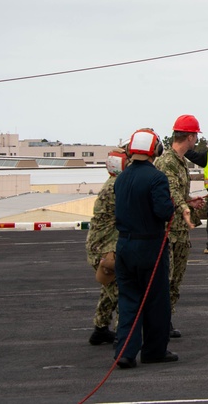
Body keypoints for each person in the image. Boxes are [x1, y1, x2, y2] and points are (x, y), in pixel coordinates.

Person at [112, 128, 190, 368]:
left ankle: (125, 352)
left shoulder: (121, 177)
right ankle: (154, 350)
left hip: (123, 245)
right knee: (156, 300)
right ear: (155, 150)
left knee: (128, 300)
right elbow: (164, 212)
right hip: (149, 246)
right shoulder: (156, 177)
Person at [154, 114, 205, 339]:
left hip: (180, 232)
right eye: (196, 136)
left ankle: (166, 319)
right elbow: (171, 193)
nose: (196, 140)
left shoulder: (181, 162)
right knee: (166, 279)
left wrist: (189, 201)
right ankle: (159, 322)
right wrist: (184, 208)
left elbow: (179, 194)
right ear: (190, 136)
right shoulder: (167, 162)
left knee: (175, 279)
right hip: (169, 231)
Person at [84, 143, 127, 346]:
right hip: (105, 249)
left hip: (103, 246)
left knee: (109, 289)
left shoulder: (111, 183)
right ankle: (123, 336)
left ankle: (100, 329)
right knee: (123, 293)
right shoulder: (117, 186)